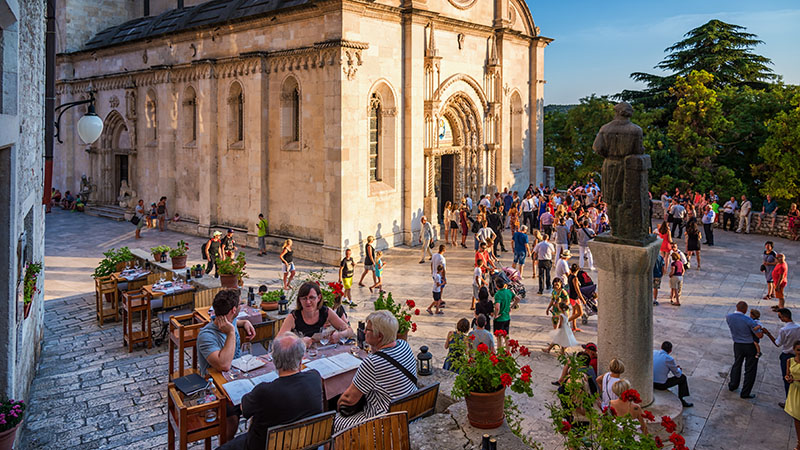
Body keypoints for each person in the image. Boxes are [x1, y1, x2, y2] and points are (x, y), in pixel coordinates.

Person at [218, 333, 323, 450]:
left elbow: (244, 408)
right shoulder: (314, 377)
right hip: (305, 444)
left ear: (274, 361)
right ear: (301, 359)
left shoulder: (264, 391)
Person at [334, 310, 417, 432]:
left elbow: (349, 398)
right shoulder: (404, 345)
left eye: (368, 330)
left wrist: (338, 407)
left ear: (379, 336)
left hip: (384, 423)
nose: (364, 331)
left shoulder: (373, 363)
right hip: (408, 412)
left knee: (333, 422)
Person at [197, 289, 256, 439]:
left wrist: (245, 322)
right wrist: (230, 333)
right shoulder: (206, 336)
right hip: (214, 388)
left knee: (263, 401)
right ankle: (226, 445)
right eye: (240, 305)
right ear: (234, 310)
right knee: (231, 415)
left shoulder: (231, 320)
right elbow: (224, 365)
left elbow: (236, 321)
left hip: (236, 379)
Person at [277, 282, 353, 346]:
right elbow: (277, 342)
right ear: (299, 300)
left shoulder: (326, 312)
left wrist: (339, 335)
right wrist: (299, 342)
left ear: (319, 298)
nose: (308, 302)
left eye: (311, 298)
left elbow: (350, 331)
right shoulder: (294, 317)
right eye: (304, 298)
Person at [726, 301, 764, 399]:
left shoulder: (729, 317)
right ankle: (745, 392)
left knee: (737, 364)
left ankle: (733, 385)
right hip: (750, 346)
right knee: (750, 369)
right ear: (745, 310)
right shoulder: (749, 320)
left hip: (737, 344)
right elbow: (759, 335)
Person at [763, 309, 800, 399]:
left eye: (780, 317)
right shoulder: (798, 327)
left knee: (787, 378)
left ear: (784, 317)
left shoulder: (784, 330)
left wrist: (768, 334)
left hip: (787, 355)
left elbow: (777, 343)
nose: (780, 318)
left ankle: (789, 400)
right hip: (797, 355)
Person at [653, 341, 693, 407]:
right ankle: (682, 399)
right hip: (660, 385)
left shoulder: (654, 352)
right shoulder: (669, 359)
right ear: (670, 351)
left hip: (650, 382)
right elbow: (677, 374)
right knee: (682, 378)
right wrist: (679, 369)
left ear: (661, 347)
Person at [782, 340, 800, 450]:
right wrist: (788, 378)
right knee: (796, 417)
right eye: (798, 350)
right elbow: (787, 375)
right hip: (794, 390)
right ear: (794, 350)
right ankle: (799, 442)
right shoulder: (790, 361)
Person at [493, 279, 517, 348]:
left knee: (499, 337)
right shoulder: (508, 292)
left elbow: (497, 307)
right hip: (507, 317)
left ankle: (500, 352)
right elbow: (517, 298)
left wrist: (496, 315)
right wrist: (511, 306)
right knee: (506, 336)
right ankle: (507, 351)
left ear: (497, 286)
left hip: (499, 319)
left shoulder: (498, 294)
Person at [567, 264, 587, 332]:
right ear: (577, 270)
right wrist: (583, 299)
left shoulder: (569, 276)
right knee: (580, 313)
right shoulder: (575, 278)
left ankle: (574, 327)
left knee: (574, 312)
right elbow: (577, 290)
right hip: (575, 297)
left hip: (571, 296)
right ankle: (566, 322)